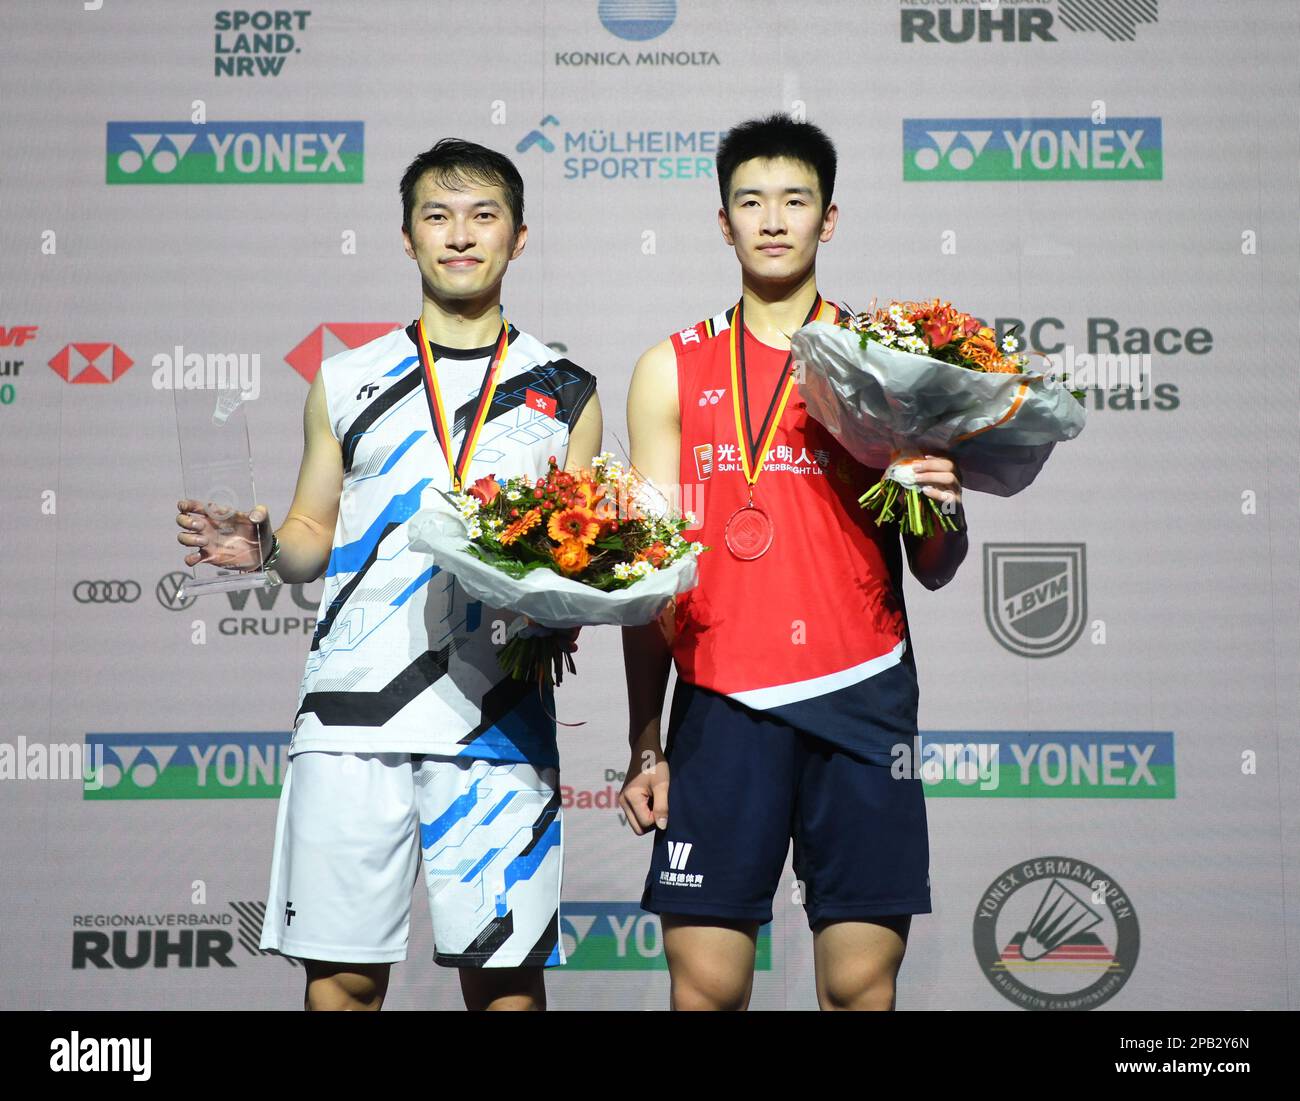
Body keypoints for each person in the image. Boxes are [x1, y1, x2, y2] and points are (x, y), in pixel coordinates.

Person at [173, 138, 602, 1010]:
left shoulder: (567, 390)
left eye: (483, 215)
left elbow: (581, 561)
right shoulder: (346, 378)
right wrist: (259, 546)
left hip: (498, 725)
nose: (459, 236)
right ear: (406, 238)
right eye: (436, 217)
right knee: (341, 988)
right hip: (350, 720)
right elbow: (308, 533)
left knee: (506, 991)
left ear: (519, 237)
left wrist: (567, 609)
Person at [619, 114, 966, 1011]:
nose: (774, 220)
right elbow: (648, 577)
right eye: (751, 201)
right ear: (723, 222)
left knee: (859, 986)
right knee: (707, 988)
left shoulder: (893, 362)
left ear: (830, 218)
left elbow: (936, 563)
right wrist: (644, 737)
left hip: (863, 690)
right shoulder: (669, 368)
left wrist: (943, 498)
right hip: (722, 699)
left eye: (795, 200)